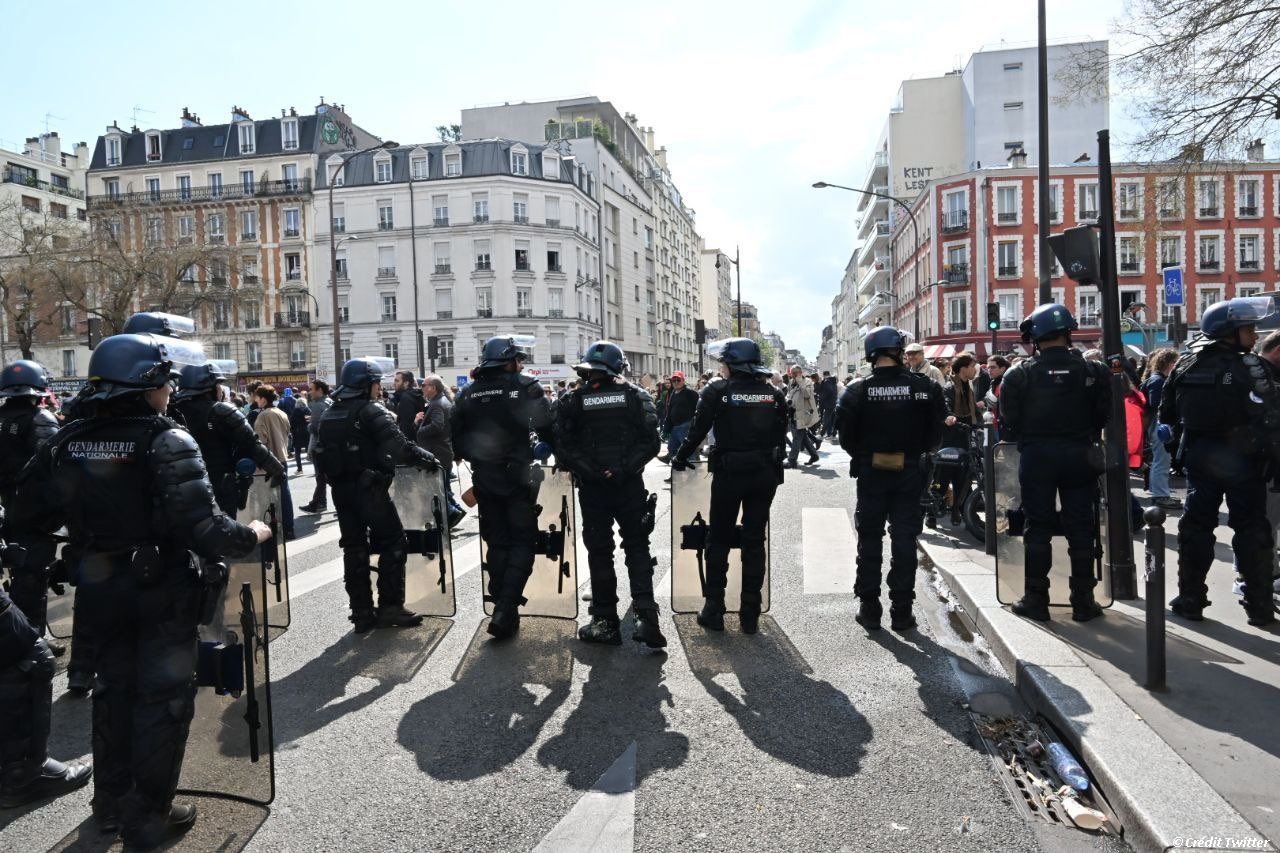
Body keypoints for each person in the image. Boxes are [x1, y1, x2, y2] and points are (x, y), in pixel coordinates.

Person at [9, 331, 270, 849]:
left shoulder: (66, 439)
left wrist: (71, 549)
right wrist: (255, 535)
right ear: (147, 384)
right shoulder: (167, 439)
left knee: (113, 693)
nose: (171, 390)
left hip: (100, 590)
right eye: (166, 381)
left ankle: (109, 804)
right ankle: (148, 814)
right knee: (162, 701)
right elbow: (208, 530)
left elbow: (23, 514)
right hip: (162, 594)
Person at [1159, 297, 1279, 627]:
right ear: (1229, 332)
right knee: (1253, 531)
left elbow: (1166, 414)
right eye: (1248, 329)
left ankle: (1190, 599)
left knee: (1196, 529)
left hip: (1200, 459)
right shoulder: (1253, 367)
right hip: (1247, 462)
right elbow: (1273, 417)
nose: (1255, 336)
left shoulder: (1186, 364)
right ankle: (1259, 607)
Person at [997, 304, 1111, 622]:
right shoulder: (1093, 371)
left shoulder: (1019, 373)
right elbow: (1105, 413)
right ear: (1068, 333)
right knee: (1082, 528)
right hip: (1080, 455)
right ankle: (1084, 600)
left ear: (1035, 336)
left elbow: (1009, 418)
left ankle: (1036, 599)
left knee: (1038, 527)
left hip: (1038, 456)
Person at [671, 338, 788, 634]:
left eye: (723, 363)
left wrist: (679, 458)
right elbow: (780, 435)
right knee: (753, 540)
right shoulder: (774, 393)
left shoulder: (717, 390)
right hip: (763, 474)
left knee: (719, 539)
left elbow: (697, 430)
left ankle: (714, 609)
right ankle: (750, 613)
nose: (721, 368)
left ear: (731, 364)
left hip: (729, 473)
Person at [553, 341, 665, 648]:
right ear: (619, 367)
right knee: (637, 547)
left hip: (593, 489)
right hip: (628, 485)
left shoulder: (572, 400)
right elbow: (652, 442)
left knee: (600, 552)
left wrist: (591, 470)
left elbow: (563, 446)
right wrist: (623, 469)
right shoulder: (636, 396)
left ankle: (604, 622)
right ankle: (645, 618)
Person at [315, 359, 439, 634]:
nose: (378, 388)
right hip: (369, 488)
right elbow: (399, 447)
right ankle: (390, 607)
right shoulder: (371, 411)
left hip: (341, 491)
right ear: (366, 385)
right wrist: (428, 458)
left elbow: (319, 452)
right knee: (393, 541)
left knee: (354, 547)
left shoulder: (330, 413)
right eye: (375, 383)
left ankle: (360, 612)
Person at [836, 327, 944, 631]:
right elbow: (935, 434)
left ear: (871, 353)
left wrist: (867, 453)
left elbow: (846, 438)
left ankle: (870, 608)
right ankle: (902, 611)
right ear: (899, 350)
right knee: (905, 540)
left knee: (869, 540)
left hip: (871, 472)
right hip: (910, 472)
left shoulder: (857, 390)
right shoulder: (924, 387)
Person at [451, 337, 555, 639]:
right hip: (518, 478)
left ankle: (500, 605)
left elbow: (455, 437)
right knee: (523, 542)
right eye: (517, 360)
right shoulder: (525, 386)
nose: (520, 365)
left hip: (486, 477)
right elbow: (548, 426)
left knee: (496, 543)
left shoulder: (468, 393)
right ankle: (506, 608)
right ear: (509, 361)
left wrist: (479, 457)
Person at [171, 363, 285, 517]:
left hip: (181, 487)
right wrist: (277, 469)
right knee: (223, 530)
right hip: (220, 485)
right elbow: (252, 444)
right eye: (218, 385)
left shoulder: (172, 412)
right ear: (210, 388)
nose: (221, 389)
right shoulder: (221, 411)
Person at [0, 360, 60, 635]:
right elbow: (53, 466)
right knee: (32, 580)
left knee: (16, 576)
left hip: (6, 509)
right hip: (33, 515)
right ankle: (31, 643)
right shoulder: (41, 418)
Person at [414, 374, 466, 528]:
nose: (421, 388)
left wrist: (419, 427)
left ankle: (452, 513)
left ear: (433, 388)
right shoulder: (441, 401)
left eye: (424, 385)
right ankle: (455, 511)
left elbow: (437, 425)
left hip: (438, 451)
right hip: (443, 450)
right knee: (443, 486)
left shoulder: (437, 404)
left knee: (436, 487)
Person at [939, 353, 980, 526]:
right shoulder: (949, 387)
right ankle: (932, 513)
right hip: (950, 440)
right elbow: (945, 406)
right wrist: (950, 417)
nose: (975, 370)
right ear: (963, 368)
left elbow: (973, 413)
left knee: (963, 478)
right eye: (972, 366)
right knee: (943, 478)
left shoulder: (968, 388)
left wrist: (983, 422)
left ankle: (959, 509)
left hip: (964, 439)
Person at [251, 386, 296, 540]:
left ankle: (273, 530)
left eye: (257, 397)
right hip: (282, 458)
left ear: (263, 398)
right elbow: (288, 435)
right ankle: (289, 528)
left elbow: (260, 441)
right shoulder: (281, 413)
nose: (255, 400)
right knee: (285, 494)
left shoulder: (262, 416)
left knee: (267, 497)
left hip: (269, 461)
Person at [1141, 349, 1181, 510]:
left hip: (1156, 424)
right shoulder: (1159, 380)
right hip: (1159, 425)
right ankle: (1160, 496)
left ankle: (1160, 493)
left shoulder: (1156, 379)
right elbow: (1156, 403)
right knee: (1162, 460)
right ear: (1170, 364)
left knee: (1161, 460)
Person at [300, 379, 332, 513]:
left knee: (322, 476)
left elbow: (314, 428)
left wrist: (308, 425)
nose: (309, 392)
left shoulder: (318, 405)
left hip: (319, 446)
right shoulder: (329, 401)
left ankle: (318, 503)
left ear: (319, 390)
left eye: (312, 389)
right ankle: (319, 503)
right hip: (329, 445)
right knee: (324, 477)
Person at [784, 365, 821, 468]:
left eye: (795, 374)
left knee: (797, 438)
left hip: (803, 414)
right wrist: (788, 400)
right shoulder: (791, 382)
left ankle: (792, 460)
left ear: (800, 373)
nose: (793, 376)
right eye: (791, 374)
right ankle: (814, 455)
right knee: (802, 436)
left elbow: (807, 394)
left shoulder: (807, 381)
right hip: (792, 413)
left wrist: (800, 380)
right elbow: (788, 394)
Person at [659, 371, 698, 464]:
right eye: (674, 380)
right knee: (672, 449)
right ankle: (675, 476)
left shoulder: (690, 392)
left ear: (683, 381)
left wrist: (695, 422)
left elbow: (699, 407)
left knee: (688, 451)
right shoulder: (673, 393)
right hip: (675, 427)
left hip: (686, 426)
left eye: (678, 380)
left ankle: (694, 474)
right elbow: (669, 412)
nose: (676, 382)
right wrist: (665, 430)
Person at [392, 370, 425, 441]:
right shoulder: (415, 395)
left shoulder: (406, 398)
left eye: (397, 381)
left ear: (406, 383)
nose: (394, 383)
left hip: (411, 441)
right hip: (418, 439)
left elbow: (406, 425)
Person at [817, 371, 839, 437]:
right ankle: (834, 432)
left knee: (826, 419)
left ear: (824, 375)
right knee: (833, 419)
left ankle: (822, 433)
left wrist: (822, 397)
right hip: (833, 402)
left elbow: (827, 392)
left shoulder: (827, 382)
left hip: (828, 403)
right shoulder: (833, 381)